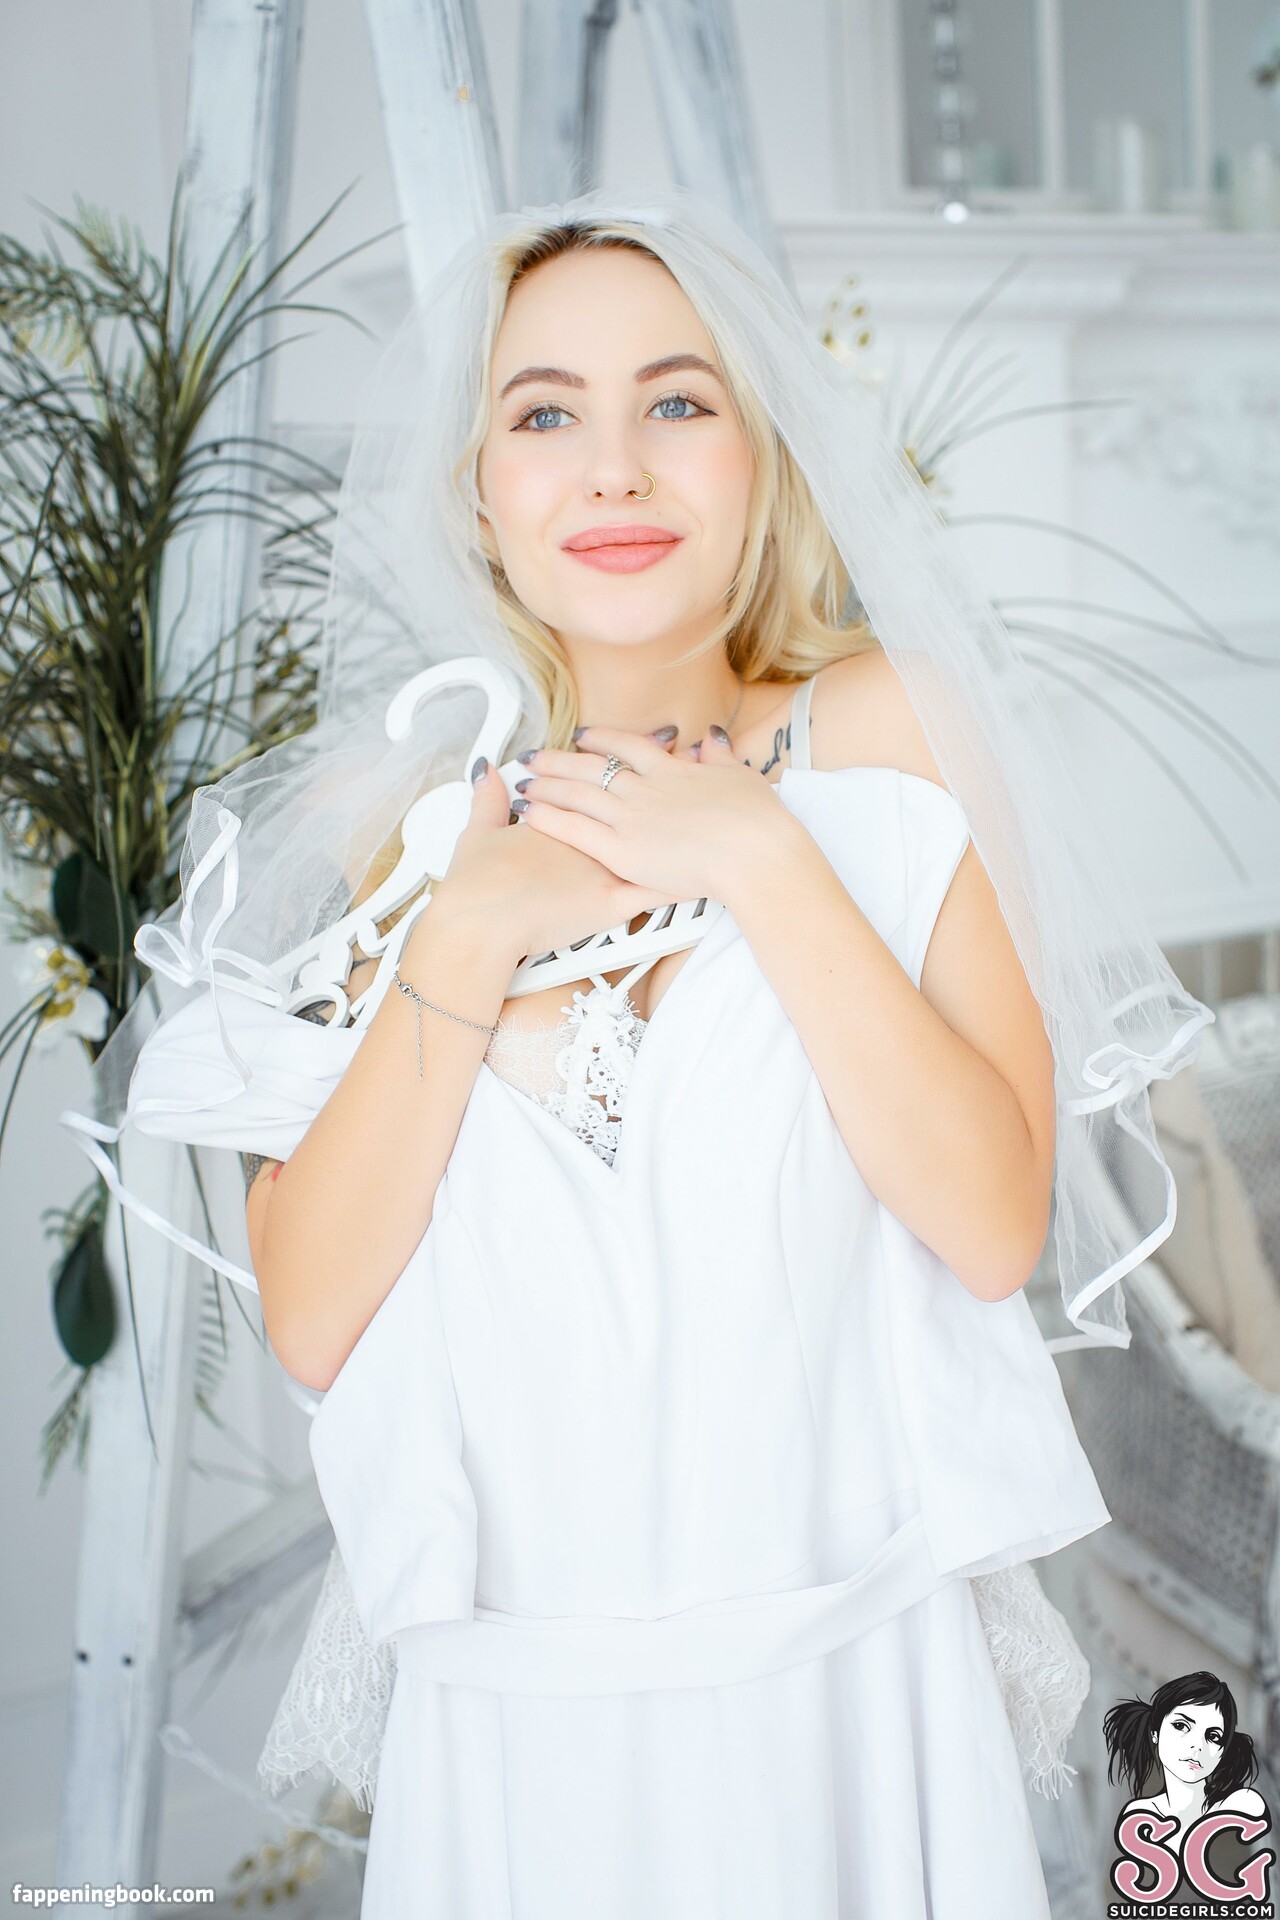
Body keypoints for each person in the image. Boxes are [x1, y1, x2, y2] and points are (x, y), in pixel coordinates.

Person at [60, 189, 1214, 1918]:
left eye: (677, 401)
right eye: (544, 415)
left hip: (842, 1697)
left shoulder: (884, 732)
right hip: (519, 1735)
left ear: (762, 455)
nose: (613, 469)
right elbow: (312, 1318)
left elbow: (992, 1222)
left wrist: (757, 853)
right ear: (478, 489)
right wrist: (464, 933)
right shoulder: (412, 826)